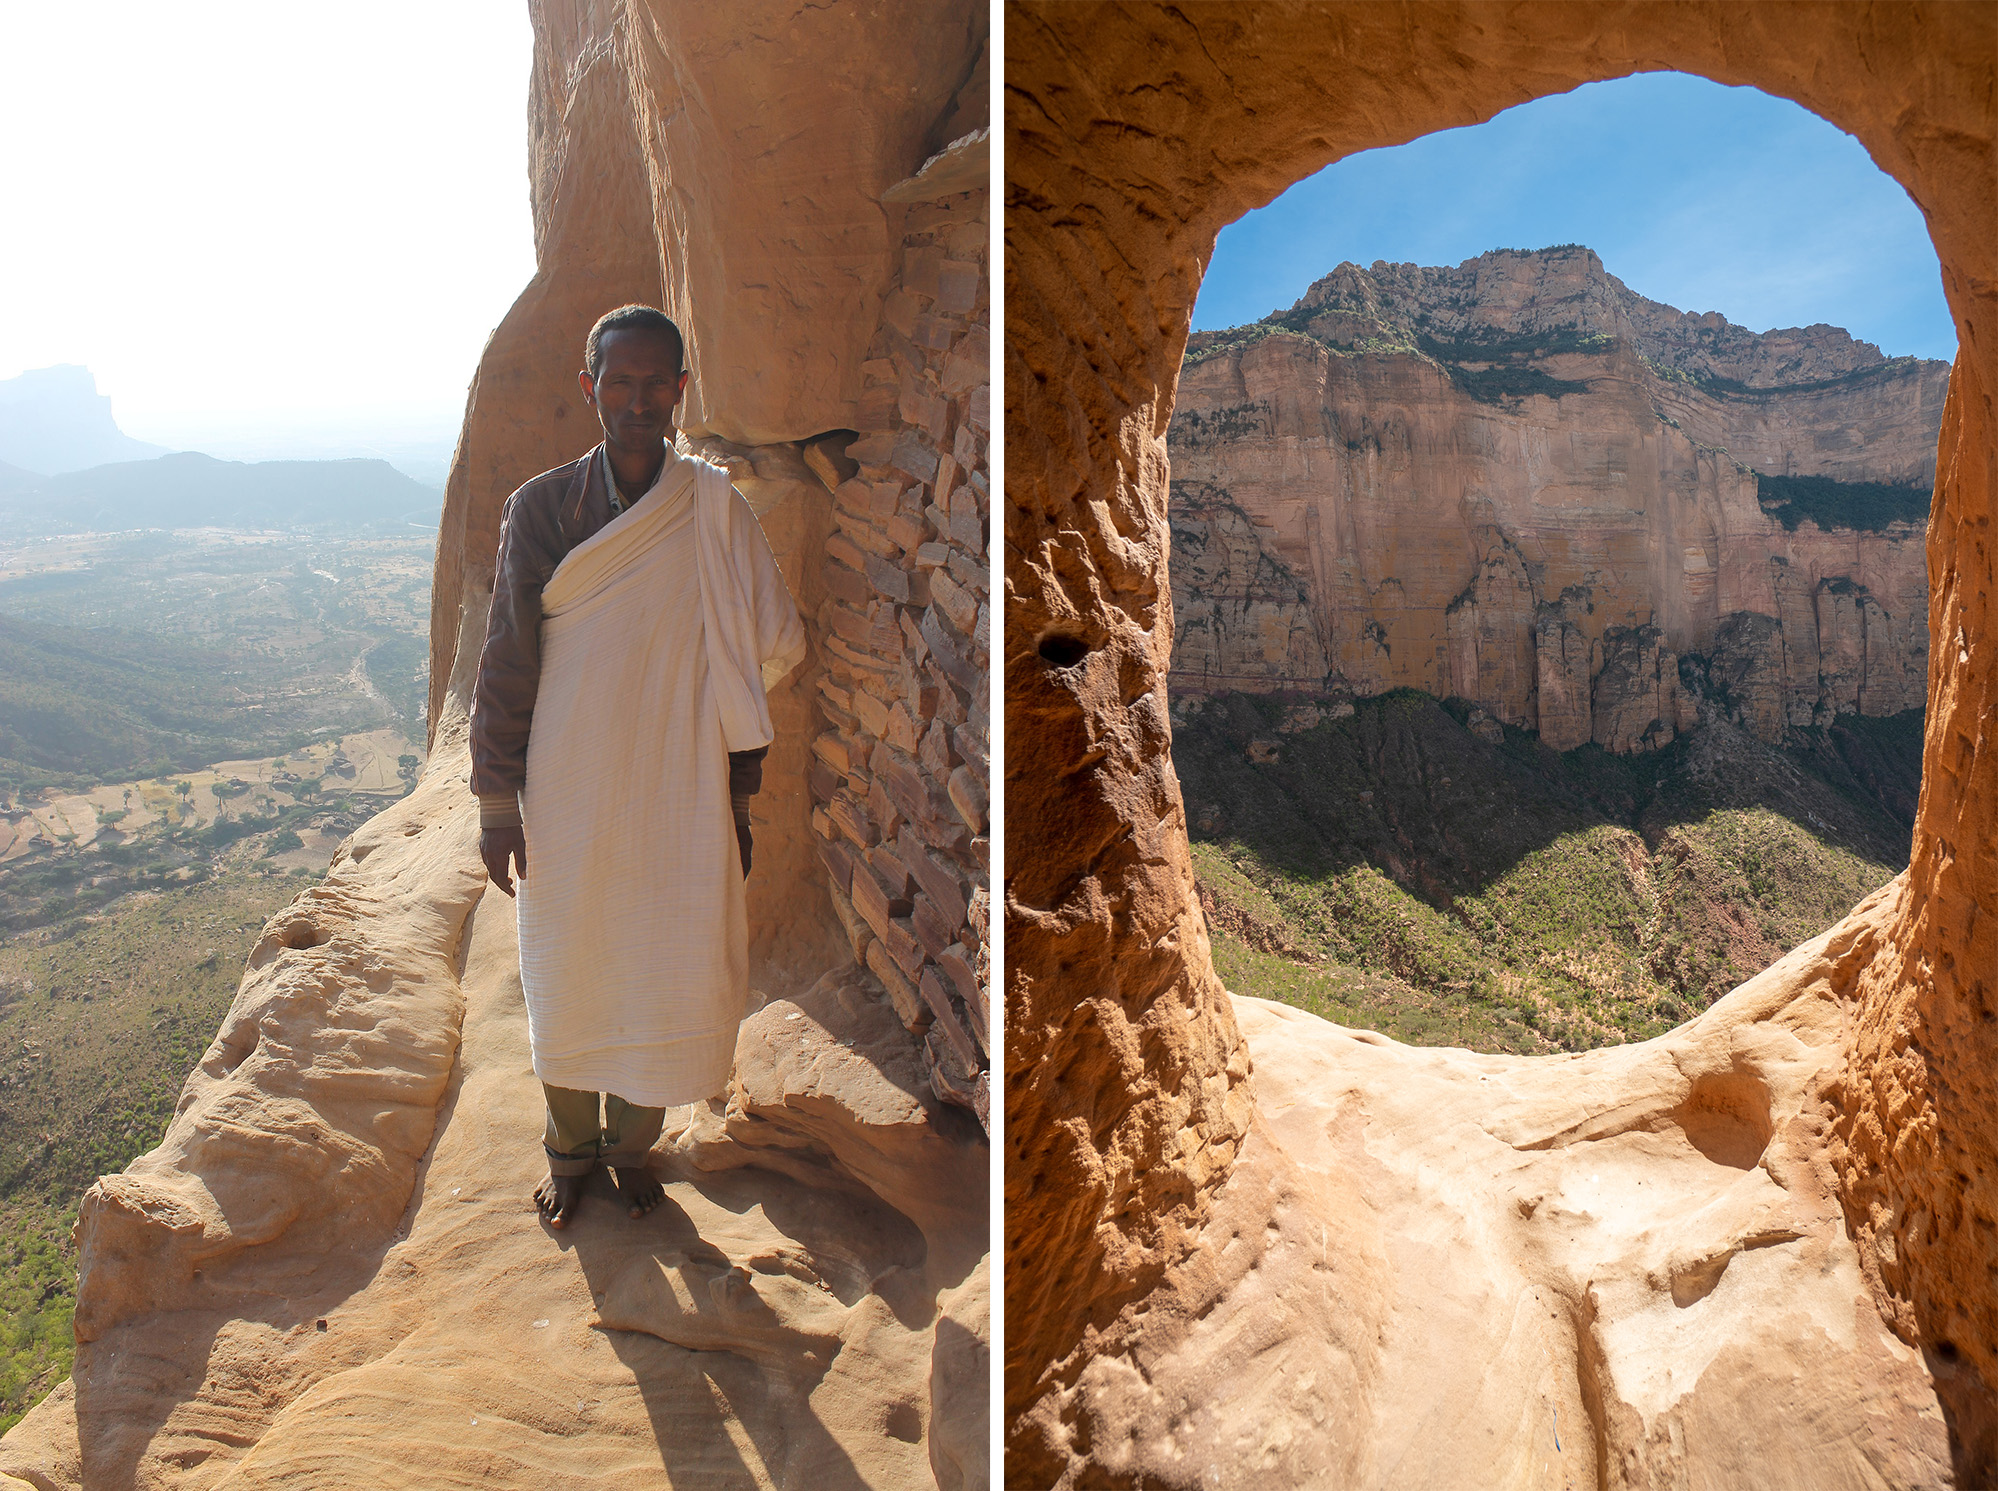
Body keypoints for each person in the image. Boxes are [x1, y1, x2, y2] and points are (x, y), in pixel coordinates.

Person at [468, 304, 804, 1228]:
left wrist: (735, 798)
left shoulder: (711, 507)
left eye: (658, 381)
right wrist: (499, 806)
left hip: (680, 782)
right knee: (573, 962)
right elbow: (508, 658)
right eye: (620, 380)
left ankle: (631, 1150)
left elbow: (753, 642)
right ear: (592, 389)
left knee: (670, 960)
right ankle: (569, 1154)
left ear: (680, 391)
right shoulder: (542, 509)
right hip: (569, 781)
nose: (638, 398)